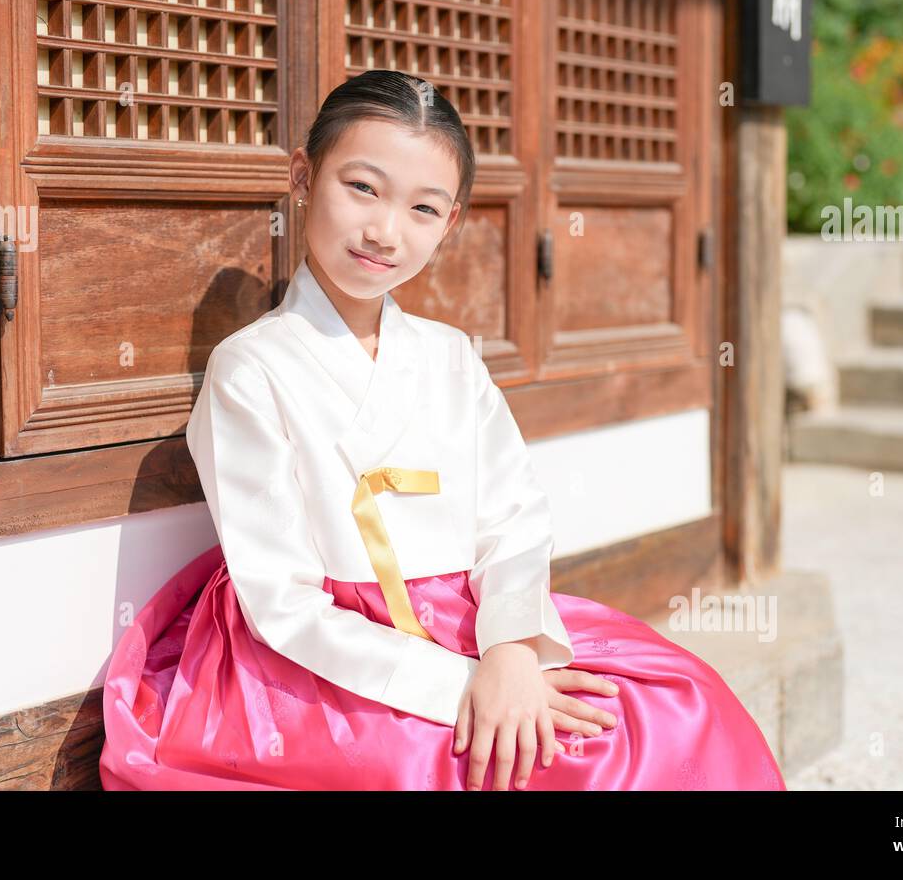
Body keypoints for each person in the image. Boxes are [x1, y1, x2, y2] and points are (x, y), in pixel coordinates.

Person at [99, 69, 787, 791]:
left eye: (423, 208)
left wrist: (514, 654)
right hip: (324, 659)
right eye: (361, 188)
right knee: (560, 760)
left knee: (680, 702)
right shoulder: (251, 369)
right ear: (304, 176)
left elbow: (513, 519)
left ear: (450, 222)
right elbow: (284, 602)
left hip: (474, 620)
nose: (384, 231)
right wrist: (459, 687)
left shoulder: (450, 354)